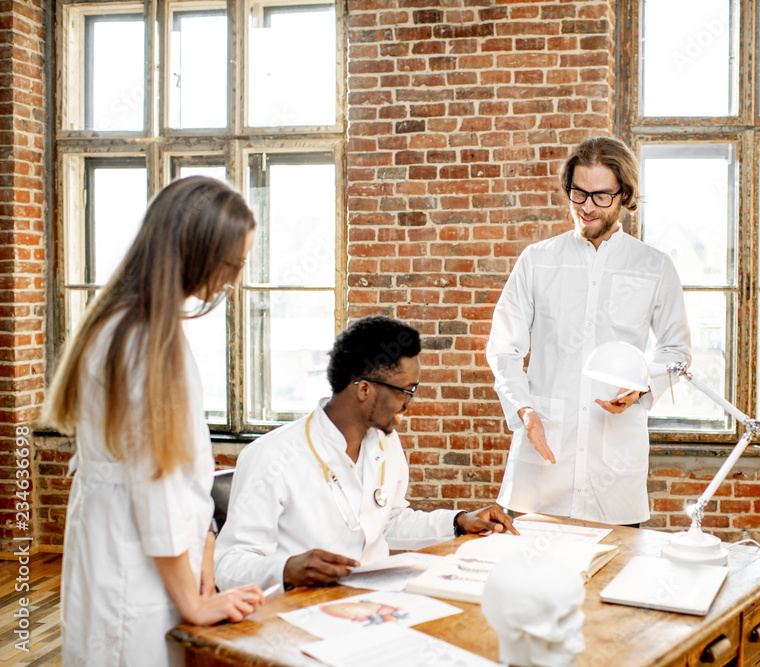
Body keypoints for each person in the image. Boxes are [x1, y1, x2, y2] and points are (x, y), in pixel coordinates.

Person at [42, 177, 265, 667]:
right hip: (133, 576)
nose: (233, 279)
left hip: (125, 561)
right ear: (198, 254)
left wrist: (205, 544)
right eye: (234, 263)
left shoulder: (123, 324)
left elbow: (178, 478)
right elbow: (158, 488)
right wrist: (194, 602)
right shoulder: (145, 343)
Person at [214, 315, 517, 591]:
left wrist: (459, 521)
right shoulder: (271, 456)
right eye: (405, 390)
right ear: (364, 390)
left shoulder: (386, 442)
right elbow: (227, 565)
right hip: (298, 611)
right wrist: (287, 569)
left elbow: (388, 524)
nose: (409, 403)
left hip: (375, 602)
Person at [486, 136, 692, 526]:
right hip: (544, 461)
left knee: (612, 580)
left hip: (614, 466)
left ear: (624, 196)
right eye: (578, 194)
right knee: (532, 581)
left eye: (600, 197)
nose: (586, 208)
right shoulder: (537, 261)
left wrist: (642, 385)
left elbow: (677, 352)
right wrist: (524, 409)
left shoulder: (655, 266)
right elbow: (503, 350)